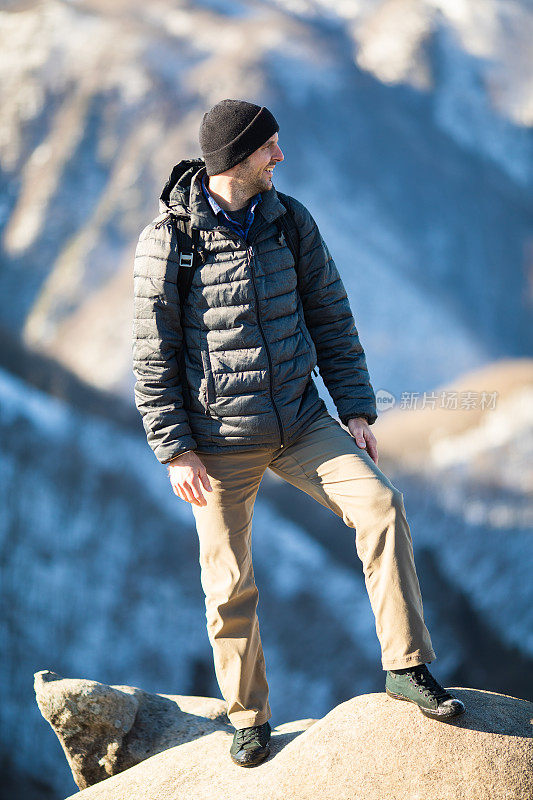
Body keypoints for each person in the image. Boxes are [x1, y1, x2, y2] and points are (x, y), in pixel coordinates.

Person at [132, 99, 465, 767]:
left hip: (302, 421)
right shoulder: (168, 241)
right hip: (218, 439)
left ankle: (404, 666)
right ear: (234, 160)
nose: (279, 158)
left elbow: (331, 316)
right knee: (228, 584)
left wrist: (357, 411)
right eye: (267, 148)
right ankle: (249, 717)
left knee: (380, 507)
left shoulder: (290, 221)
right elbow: (151, 355)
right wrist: (175, 449)